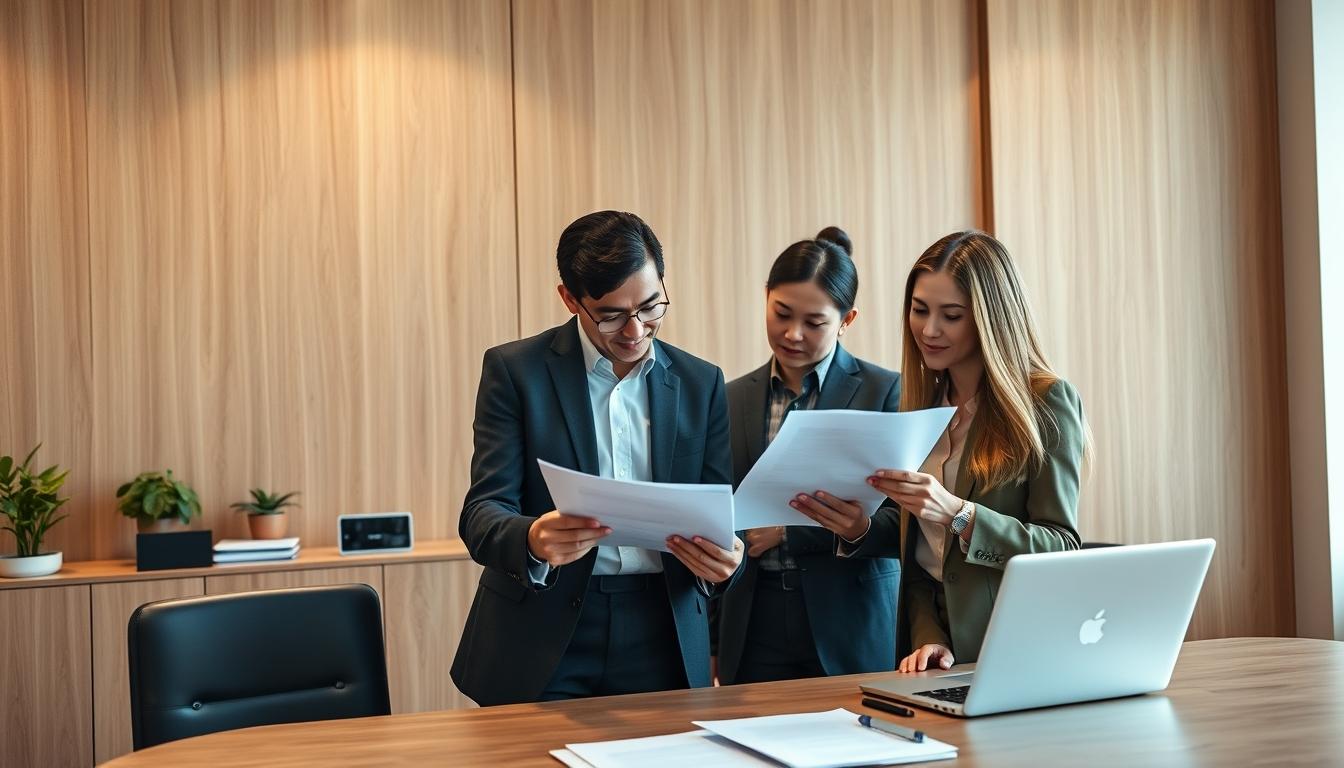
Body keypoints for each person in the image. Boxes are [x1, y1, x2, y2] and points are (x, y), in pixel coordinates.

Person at [451, 210, 744, 705]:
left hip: (664, 631)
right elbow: (481, 514)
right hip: (543, 631)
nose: (634, 330)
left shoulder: (701, 383)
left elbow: (722, 514)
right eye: (610, 314)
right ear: (569, 298)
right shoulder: (516, 372)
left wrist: (727, 560)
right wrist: (533, 538)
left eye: (651, 307)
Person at [791, 230, 1089, 672]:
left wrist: (958, 513)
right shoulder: (923, 407)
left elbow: (1061, 548)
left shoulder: (1044, 401)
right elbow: (924, 559)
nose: (929, 330)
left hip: (1016, 648)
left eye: (951, 315)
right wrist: (860, 529)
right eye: (919, 310)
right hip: (936, 657)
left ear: (991, 320)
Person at [714, 227, 902, 685]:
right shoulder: (729, 397)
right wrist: (714, 642)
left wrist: (787, 534)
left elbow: (903, 523)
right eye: (781, 313)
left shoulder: (884, 392)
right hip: (753, 621)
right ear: (765, 297)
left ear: (847, 319)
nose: (792, 334)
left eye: (814, 322)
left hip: (849, 621)